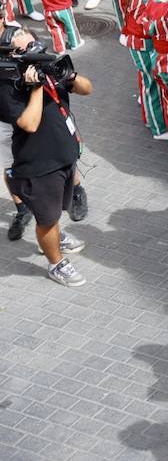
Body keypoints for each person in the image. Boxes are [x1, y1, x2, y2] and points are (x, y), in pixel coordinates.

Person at [0, 25, 92, 288]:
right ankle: (56, 263)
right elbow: (28, 123)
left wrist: (68, 74)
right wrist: (37, 88)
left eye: (35, 44)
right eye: (27, 49)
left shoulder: (49, 68)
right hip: (39, 166)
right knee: (46, 217)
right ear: (13, 56)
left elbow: (87, 89)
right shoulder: (8, 86)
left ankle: (54, 235)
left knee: (53, 212)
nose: (36, 51)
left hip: (63, 157)